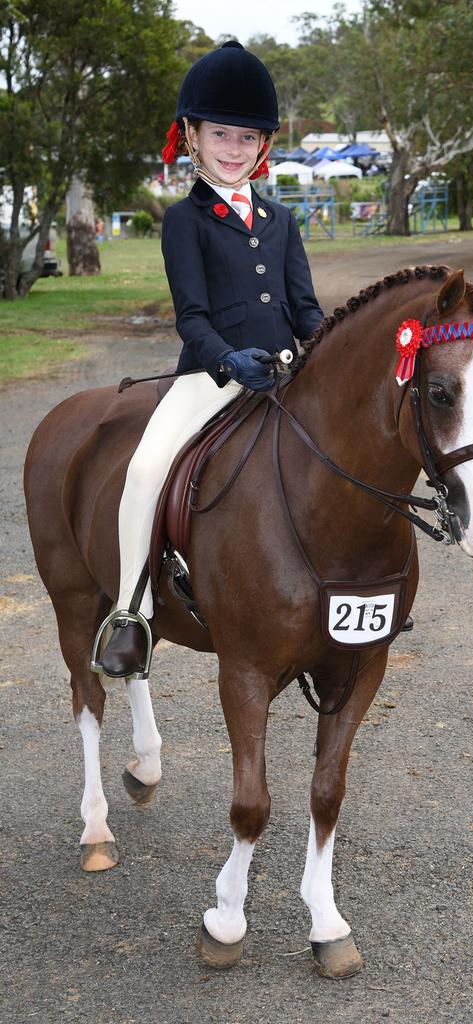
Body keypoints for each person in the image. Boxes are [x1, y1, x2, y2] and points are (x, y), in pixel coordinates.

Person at [95, 40, 324, 678]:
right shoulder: (183, 221)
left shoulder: (281, 219)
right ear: (191, 136)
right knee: (144, 471)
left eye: (247, 136)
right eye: (219, 132)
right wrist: (229, 361)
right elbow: (191, 319)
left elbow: (305, 309)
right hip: (211, 379)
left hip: (284, 375)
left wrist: (332, 342)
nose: (233, 146)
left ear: (263, 146)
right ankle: (131, 614)